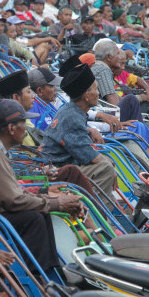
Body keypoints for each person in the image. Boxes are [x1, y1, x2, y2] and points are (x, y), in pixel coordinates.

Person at [0, 98, 84, 272]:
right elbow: (12, 200)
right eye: (24, 124)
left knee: (41, 214)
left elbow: (13, 191)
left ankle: (51, 271)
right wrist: (55, 203)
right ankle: (37, 277)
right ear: (11, 128)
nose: (27, 130)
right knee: (34, 219)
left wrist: (49, 199)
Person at [40, 63, 118, 200]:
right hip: (56, 171)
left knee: (105, 163)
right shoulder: (72, 117)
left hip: (66, 165)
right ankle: (93, 210)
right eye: (96, 89)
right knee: (105, 168)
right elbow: (92, 157)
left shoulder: (73, 111)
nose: (98, 93)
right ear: (86, 96)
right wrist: (111, 164)